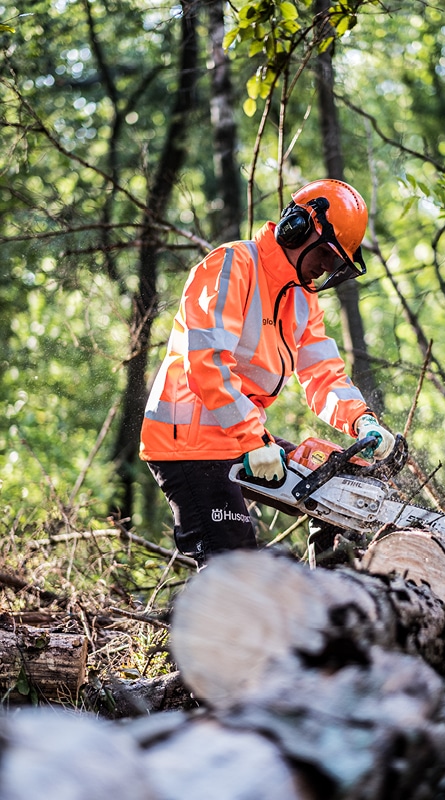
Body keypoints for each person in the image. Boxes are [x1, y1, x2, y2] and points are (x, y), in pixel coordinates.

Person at [139, 179, 395, 570]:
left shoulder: (302, 300)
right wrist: (253, 439)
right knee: (235, 564)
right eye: (326, 254)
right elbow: (206, 362)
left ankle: (332, 596)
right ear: (298, 226)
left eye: (335, 263)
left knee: (338, 488)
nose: (325, 268)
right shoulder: (232, 265)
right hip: (189, 442)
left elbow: (323, 373)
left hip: (241, 438)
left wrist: (361, 420)